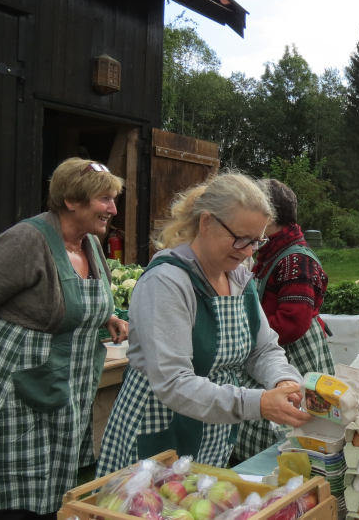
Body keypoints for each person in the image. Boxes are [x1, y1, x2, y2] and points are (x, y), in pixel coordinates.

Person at [0, 158, 127, 519]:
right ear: (71, 200)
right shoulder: (25, 241)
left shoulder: (89, 245)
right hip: (14, 397)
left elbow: (63, 300)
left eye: (113, 199)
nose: (113, 209)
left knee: (51, 495)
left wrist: (106, 316)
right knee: (7, 502)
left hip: (64, 394)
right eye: (104, 199)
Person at [96, 173, 312, 476]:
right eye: (240, 238)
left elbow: (262, 348)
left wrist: (283, 381)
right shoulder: (167, 282)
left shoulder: (237, 275)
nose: (248, 251)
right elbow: (173, 382)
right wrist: (258, 403)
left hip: (212, 432)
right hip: (160, 434)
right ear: (206, 222)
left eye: (256, 241)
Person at [233, 180, 335, 461]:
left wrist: (245, 336)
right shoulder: (274, 252)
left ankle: (292, 466)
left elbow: (293, 322)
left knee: (295, 423)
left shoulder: (296, 260)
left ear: (270, 216)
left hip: (293, 357)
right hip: (276, 351)